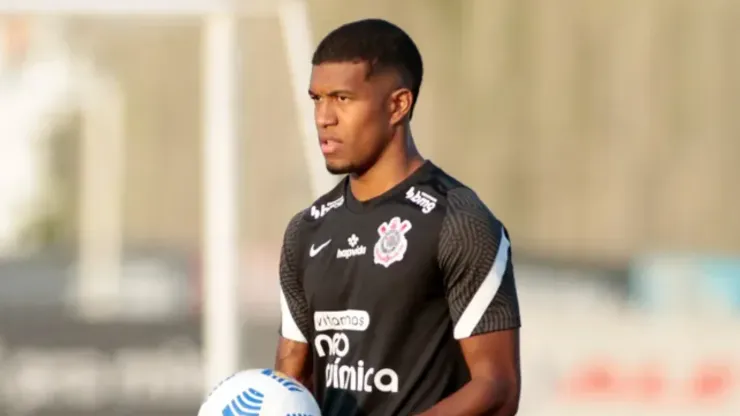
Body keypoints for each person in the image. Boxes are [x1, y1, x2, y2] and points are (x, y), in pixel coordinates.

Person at [275, 18, 521, 416]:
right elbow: (290, 383)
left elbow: (497, 388)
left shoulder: (458, 220)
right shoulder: (307, 230)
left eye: (342, 98)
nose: (323, 117)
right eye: (316, 99)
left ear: (397, 105)